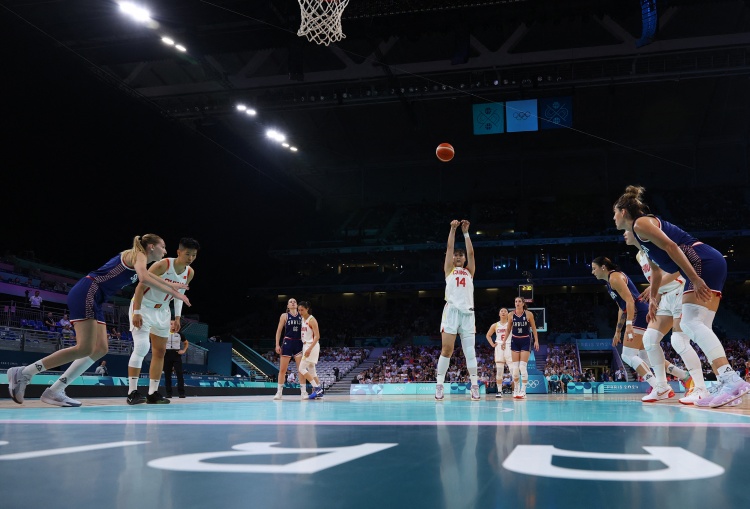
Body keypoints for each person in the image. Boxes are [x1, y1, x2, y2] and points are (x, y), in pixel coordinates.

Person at [7, 235, 190, 407]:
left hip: (96, 299)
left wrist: (173, 287)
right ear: (151, 247)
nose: (165, 251)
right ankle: (25, 372)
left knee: (101, 349)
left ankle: (55, 390)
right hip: (88, 291)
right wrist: (173, 291)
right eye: (163, 247)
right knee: (84, 348)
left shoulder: (141, 260)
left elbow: (150, 278)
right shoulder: (138, 254)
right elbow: (144, 278)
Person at [614, 185, 750, 407]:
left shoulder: (640, 224)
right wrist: (654, 300)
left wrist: (694, 278)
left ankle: (730, 379)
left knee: (689, 323)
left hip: (701, 262)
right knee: (700, 327)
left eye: (614, 213)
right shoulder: (641, 240)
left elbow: (671, 246)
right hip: (707, 262)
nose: (613, 219)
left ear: (623, 212)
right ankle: (725, 382)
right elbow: (656, 272)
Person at [624, 229, 705, 404]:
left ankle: (700, 387)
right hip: (666, 297)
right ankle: (662, 387)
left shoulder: (656, 245)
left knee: (679, 341)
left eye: (627, 231)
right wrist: (654, 300)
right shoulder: (639, 255)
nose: (624, 234)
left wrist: (653, 287)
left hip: (681, 290)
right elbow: (657, 278)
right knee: (649, 340)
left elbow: (678, 270)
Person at [126, 237, 198, 405]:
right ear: (179, 252)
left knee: (160, 352)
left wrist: (177, 316)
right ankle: (132, 392)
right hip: (143, 306)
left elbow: (179, 294)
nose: (190, 258)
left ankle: (153, 393)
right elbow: (140, 286)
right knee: (142, 347)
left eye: (194, 255)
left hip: (163, 311)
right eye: (187, 254)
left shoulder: (190, 273)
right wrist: (136, 312)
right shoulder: (163, 265)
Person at [591, 256, 664, 398]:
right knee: (645, 356)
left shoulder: (615, 278)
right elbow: (622, 307)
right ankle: (682, 376)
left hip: (638, 312)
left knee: (627, 355)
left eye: (594, 268)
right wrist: (618, 331)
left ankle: (658, 387)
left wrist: (629, 325)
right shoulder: (609, 283)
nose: (593, 272)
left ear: (603, 267)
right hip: (638, 312)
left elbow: (630, 300)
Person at [435, 219, 480, 402]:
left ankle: (474, 386)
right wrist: (453, 230)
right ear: (452, 258)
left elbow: (471, 252)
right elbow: (449, 247)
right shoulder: (449, 270)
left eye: (461, 255)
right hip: (452, 312)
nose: (459, 257)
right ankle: (439, 385)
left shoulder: (469, 271)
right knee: (447, 350)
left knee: (470, 352)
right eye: (456, 255)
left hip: (468, 314)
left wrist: (466, 232)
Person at [506, 297, 540, 399]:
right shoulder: (510, 315)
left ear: (523, 303)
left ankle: (523, 391)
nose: (517, 303)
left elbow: (534, 328)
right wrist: (504, 341)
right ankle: (516, 389)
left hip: (525, 340)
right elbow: (508, 329)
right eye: (516, 301)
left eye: (519, 301)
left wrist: (536, 341)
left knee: (522, 367)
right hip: (515, 340)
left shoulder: (529, 314)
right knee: (515, 368)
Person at [274, 298, 305, 400]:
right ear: (288, 306)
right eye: (290, 302)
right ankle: (279, 392)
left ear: (297, 305)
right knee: (283, 369)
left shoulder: (302, 315)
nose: (293, 303)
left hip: (299, 342)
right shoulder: (284, 316)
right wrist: (277, 345)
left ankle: (303, 392)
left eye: (294, 301)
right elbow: (279, 331)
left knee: (301, 369)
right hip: (288, 342)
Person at [297, 301, 324, 399]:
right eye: (299, 310)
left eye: (302, 310)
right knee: (312, 371)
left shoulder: (312, 320)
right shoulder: (302, 319)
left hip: (311, 346)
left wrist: (309, 349)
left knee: (301, 369)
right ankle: (319, 392)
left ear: (307, 309)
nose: (300, 312)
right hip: (306, 345)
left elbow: (317, 336)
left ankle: (317, 388)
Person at [485, 307, 511, 399]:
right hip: (499, 347)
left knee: (513, 370)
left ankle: (516, 390)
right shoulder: (495, 325)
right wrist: (492, 344)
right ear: (499, 314)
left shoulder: (511, 324)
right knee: (499, 371)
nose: (503, 312)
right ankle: (499, 391)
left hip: (509, 346)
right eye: (501, 311)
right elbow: (488, 335)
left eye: (505, 311)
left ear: (508, 314)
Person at [164, 320, 189, 398]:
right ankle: (168, 393)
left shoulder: (179, 334)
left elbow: (186, 343)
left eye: (174, 324)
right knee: (167, 374)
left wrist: (183, 350)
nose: (173, 325)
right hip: (167, 354)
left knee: (179, 373)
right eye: (171, 324)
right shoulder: (165, 333)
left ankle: (181, 393)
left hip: (176, 354)